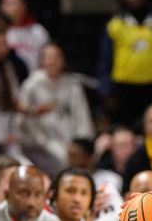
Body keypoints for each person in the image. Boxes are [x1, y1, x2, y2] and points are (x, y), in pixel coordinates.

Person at [18, 43, 95, 175]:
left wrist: (81, 144)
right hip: (40, 142)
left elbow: (82, 117)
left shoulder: (72, 85)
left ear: (63, 61)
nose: (52, 62)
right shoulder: (31, 86)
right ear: (41, 61)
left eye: (56, 57)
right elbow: (22, 119)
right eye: (48, 57)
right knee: (61, 159)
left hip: (70, 142)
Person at [0, 0, 50, 72]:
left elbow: (48, 58)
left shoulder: (38, 31)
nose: (14, 8)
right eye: (9, 4)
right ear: (1, 7)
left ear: (24, 6)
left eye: (16, 3)